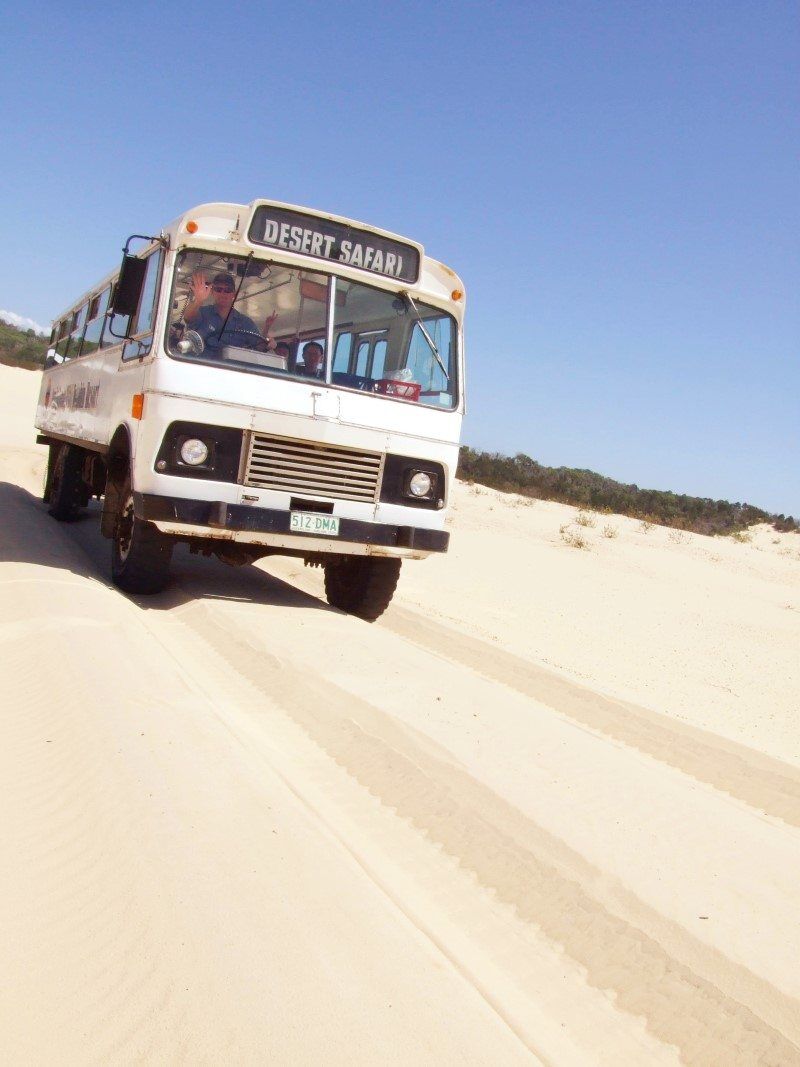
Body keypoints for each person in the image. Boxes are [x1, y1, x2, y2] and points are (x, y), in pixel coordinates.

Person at [184, 271, 275, 354]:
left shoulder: (245, 322)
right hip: (200, 368)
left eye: (228, 290)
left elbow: (259, 346)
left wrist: (269, 342)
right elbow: (188, 318)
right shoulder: (202, 312)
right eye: (219, 289)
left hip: (231, 370)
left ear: (233, 294)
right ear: (212, 292)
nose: (223, 293)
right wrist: (198, 301)